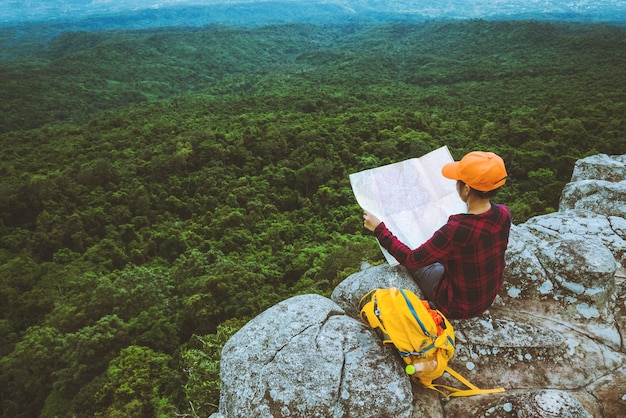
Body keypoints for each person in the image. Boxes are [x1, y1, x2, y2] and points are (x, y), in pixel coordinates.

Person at [363, 151, 511, 319]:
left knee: (419, 265)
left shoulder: (456, 230)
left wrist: (379, 229)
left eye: (458, 181)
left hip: (456, 305)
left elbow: (412, 259)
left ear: (467, 189)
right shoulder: (503, 213)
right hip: (486, 297)